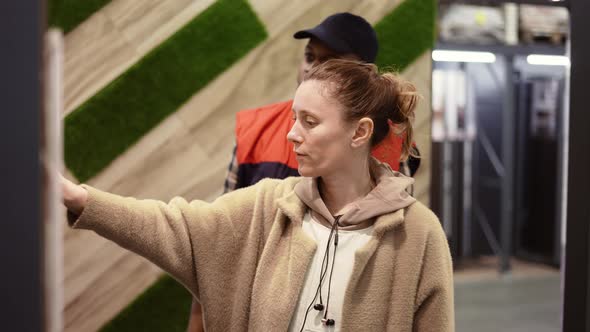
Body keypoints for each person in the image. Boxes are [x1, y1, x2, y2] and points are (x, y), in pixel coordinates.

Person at [62, 59, 453, 331]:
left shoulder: (418, 234)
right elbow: (172, 226)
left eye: (310, 122)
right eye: (294, 118)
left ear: (360, 132)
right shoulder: (267, 206)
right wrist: (79, 199)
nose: (292, 133)